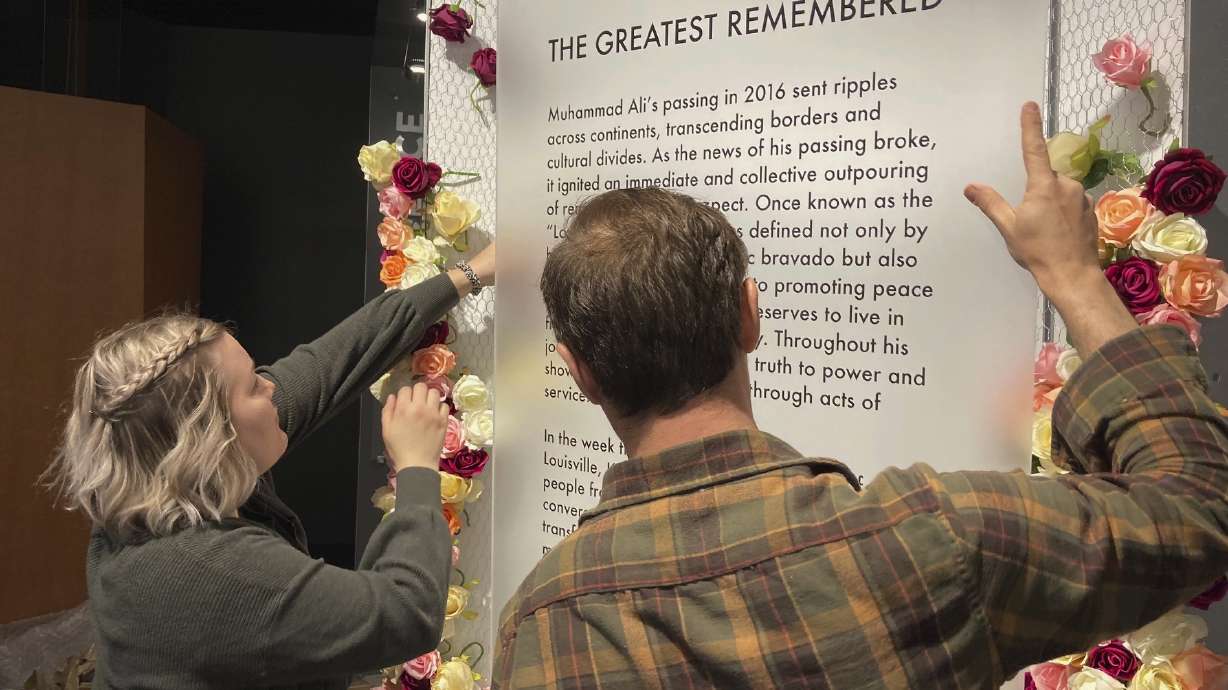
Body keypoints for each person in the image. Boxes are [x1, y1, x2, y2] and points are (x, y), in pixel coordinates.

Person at [493, 103, 1228, 689]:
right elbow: (1199, 503)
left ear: (577, 370)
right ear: (750, 315)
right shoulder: (926, 538)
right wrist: (1073, 278)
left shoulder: (542, 626)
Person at [46, 247, 494, 689]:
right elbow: (404, 614)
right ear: (209, 438)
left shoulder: (158, 483)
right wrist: (417, 466)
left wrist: (466, 275)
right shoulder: (210, 574)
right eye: (253, 387)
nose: (271, 385)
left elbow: (322, 368)